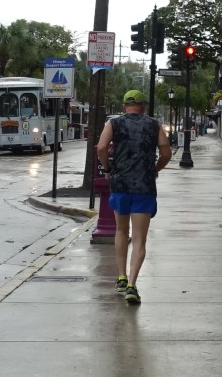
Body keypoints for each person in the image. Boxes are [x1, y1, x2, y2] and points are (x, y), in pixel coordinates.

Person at [97, 90, 171, 305]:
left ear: (123, 106)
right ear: (143, 106)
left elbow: (101, 147)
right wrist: (155, 168)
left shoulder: (114, 124)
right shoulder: (153, 125)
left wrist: (108, 167)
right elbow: (166, 152)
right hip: (144, 187)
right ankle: (132, 285)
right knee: (139, 238)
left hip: (120, 184)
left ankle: (120, 277)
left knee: (121, 230)